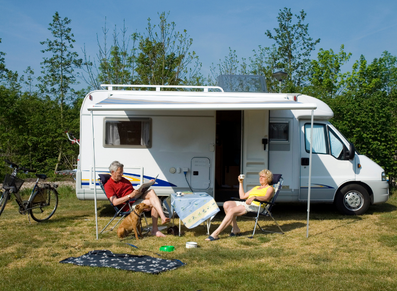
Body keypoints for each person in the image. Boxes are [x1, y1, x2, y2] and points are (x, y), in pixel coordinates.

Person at [104, 161, 170, 237]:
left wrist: (147, 185)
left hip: (135, 198)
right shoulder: (108, 185)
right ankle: (155, 229)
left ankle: (162, 217)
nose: (122, 174)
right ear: (113, 172)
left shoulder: (124, 180)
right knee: (153, 203)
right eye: (120, 172)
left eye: (122, 172)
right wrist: (129, 196)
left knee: (151, 191)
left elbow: (132, 192)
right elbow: (115, 202)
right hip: (128, 204)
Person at [205, 169, 274, 241]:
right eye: (260, 176)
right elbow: (242, 196)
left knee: (232, 210)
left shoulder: (270, 188)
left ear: (268, 178)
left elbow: (266, 198)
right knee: (226, 204)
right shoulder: (256, 187)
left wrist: (255, 197)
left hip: (257, 206)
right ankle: (235, 229)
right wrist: (240, 182)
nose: (260, 178)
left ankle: (215, 234)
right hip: (247, 203)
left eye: (263, 177)